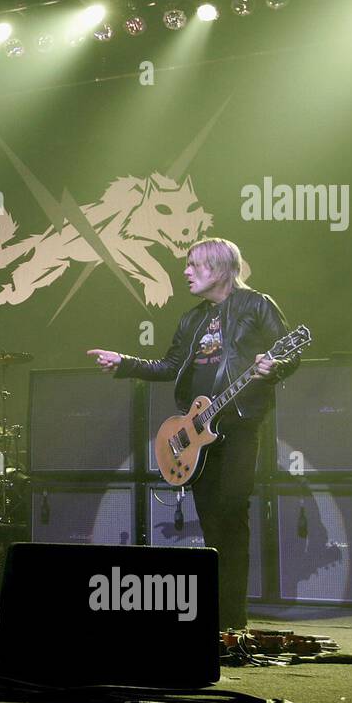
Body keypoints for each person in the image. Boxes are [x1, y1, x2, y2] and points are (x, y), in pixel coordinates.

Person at [86, 237, 299, 630]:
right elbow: (170, 365)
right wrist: (126, 363)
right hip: (197, 433)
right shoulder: (191, 318)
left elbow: (289, 352)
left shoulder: (257, 305)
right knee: (212, 525)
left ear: (218, 268)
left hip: (238, 425)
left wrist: (277, 367)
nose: (185, 272)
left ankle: (233, 621)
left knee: (232, 515)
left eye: (193, 265)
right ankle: (215, 620)